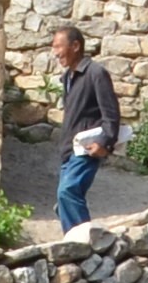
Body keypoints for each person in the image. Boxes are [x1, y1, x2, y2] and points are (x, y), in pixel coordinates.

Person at [48, 25, 121, 234]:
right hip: (68, 150)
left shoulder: (95, 73)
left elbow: (111, 113)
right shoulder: (68, 78)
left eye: (59, 47)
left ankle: (85, 244)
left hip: (87, 149)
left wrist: (105, 143)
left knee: (67, 192)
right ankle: (75, 243)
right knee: (66, 199)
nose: (56, 53)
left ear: (76, 46)